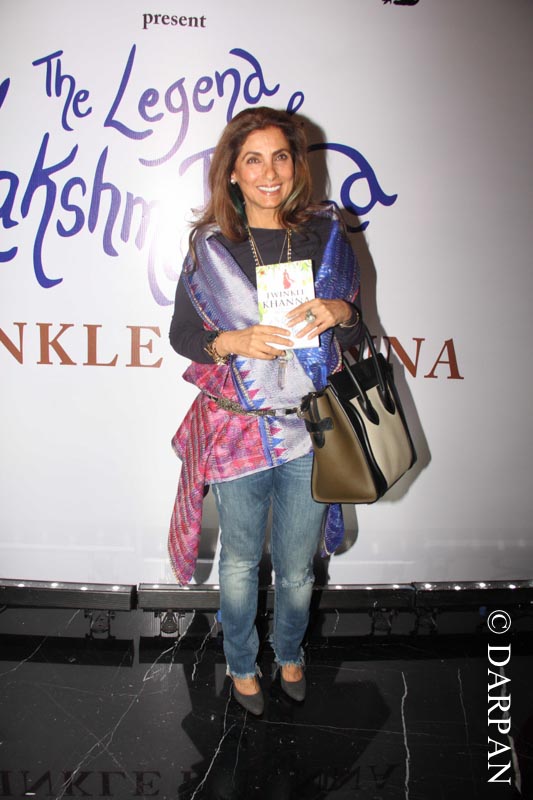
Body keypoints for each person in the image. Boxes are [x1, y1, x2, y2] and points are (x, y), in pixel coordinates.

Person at [168, 106, 362, 715]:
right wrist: (232, 341)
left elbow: (356, 334)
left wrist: (342, 313)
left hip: (309, 426)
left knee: (298, 567)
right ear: (233, 172)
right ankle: (241, 663)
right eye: (253, 160)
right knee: (240, 561)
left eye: (280, 157)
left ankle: (291, 653)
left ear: (296, 165)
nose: (269, 172)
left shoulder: (326, 234)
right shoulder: (211, 247)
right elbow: (181, 335)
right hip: (237, 429)